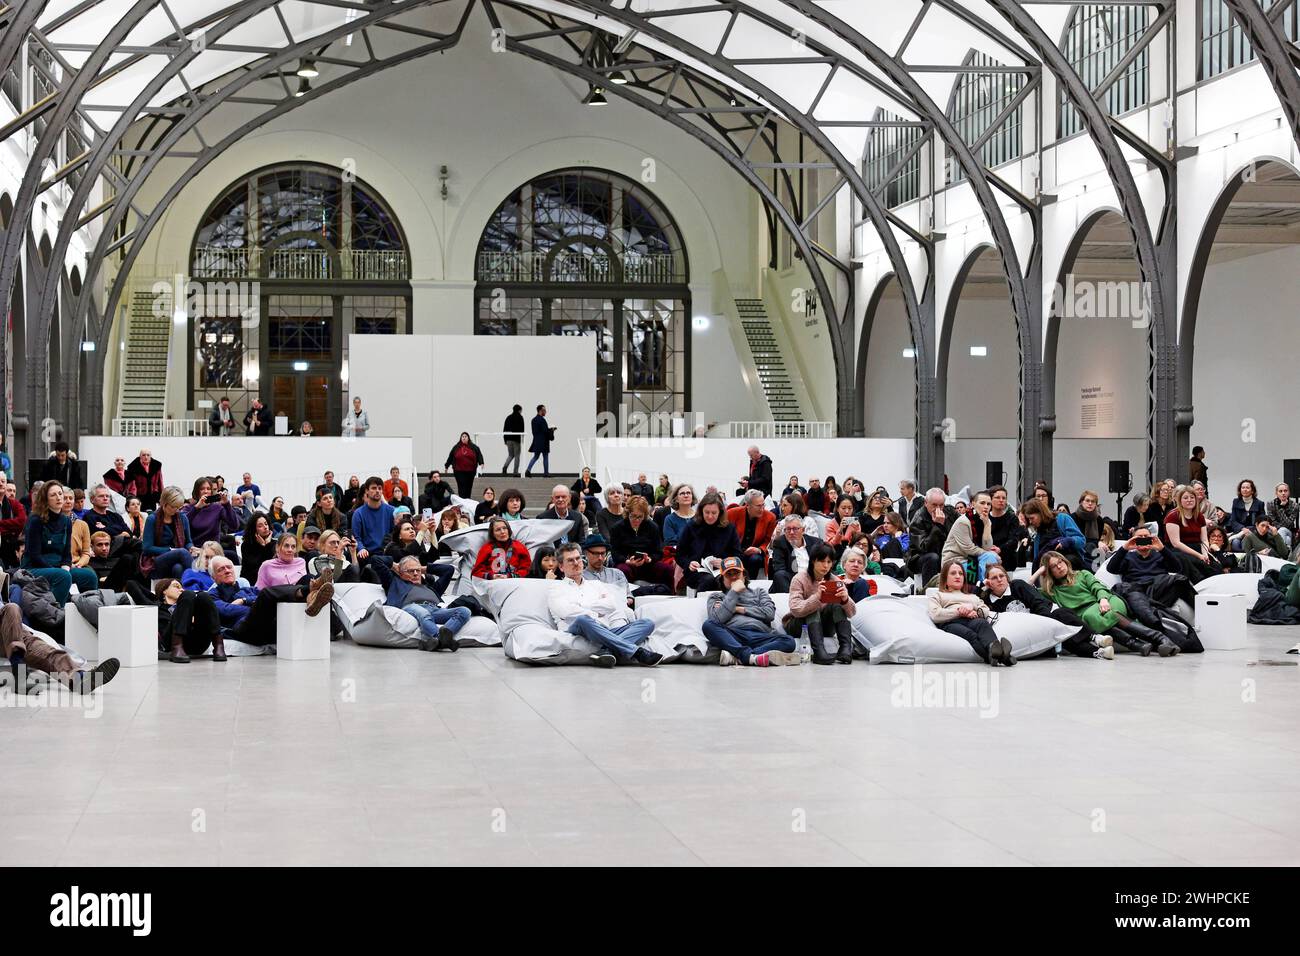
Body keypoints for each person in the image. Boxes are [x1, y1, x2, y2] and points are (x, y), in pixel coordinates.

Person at [1038, 549, 1177, 656]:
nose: (1060, 567)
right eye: (1054, 566)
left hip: (1105, 600)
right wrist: (1040, 572)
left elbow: (1098, 587)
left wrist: (1103, 599)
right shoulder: (1051, 592)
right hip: (1088, 614)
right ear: (1049, 572)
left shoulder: (1082, 574)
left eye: (1060, 562)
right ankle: (1155, 640)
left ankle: (1143, 643)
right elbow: (1026, 588)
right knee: (1092, 617)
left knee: (1098, 616)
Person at [547, 542, 661, 667]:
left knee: (647, 623)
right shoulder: (556, 588)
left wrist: (580, 606)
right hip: (574, 628)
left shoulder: (595, 585)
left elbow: (611, 605)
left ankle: (606, 651)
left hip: (603, 629)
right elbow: (566, 612)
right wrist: (596, 612)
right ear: (561, 567)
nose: (576, 563)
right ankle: (638, 653)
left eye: (578, 558)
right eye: (570, 560)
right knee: (582, 619)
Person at [980, 563, 1111, 660]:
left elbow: (1038, 602)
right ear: (988, 582)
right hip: (1026, 634)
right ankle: (1099, 651)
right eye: (994, 578)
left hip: (1045, 618)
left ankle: (1095, 640)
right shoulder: (989, 601)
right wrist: (982, 586)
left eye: (1002, 575)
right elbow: (975, 598)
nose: (999, 579)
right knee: (1061, 640)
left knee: (1061, 618)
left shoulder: (1017, 586)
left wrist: (1045, 624)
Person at [2, 600, 120, 693]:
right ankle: (19, 674)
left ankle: (81, 679)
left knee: (50, 654)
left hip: (13, 632)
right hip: (10, 633)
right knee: (11, 607)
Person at [704, 556, 800, 667]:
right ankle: (750, 656)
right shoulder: (717, 597)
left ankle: (742, 656)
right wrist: (733, 592)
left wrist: (738, 609)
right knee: (708, 625)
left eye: (737, 573)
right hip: (734, 635)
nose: (734, 577)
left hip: (761, 635)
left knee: (789, 641)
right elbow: (717, 619)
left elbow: (769, 613)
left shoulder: (759, 592)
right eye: (729, 575)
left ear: (744, 575)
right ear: (722, 578)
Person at [20, 481, 98, 604]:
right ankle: (55, 612)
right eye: (53, 495)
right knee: (63, 576)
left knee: (89, 576)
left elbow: (67, 553)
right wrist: (59, 571)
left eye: (60, 493)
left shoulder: (66, 521)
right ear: (45, 499)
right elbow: (34, 555)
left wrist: (66, 567)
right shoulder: (35, 520)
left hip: (58, 568)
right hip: (34, 567)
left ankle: (86, 612)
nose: (58, 497)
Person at [927, 559, 1014, 666]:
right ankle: (1003, 657)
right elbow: (935, 614)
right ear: (945, 578)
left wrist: (973, 607)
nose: (958, 576)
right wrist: (959, 612)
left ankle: (994, 648)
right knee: (971, 635)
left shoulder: (972, 597)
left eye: (961, 573)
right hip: (952, 622)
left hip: (972, 619)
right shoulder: (938, 595)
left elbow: (986, 611)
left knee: (982, 623)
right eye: (953, 573)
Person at [785, 542, 856, 665]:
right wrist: (817, 597)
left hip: (823, 626)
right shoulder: (799, 578)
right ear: (813, 561)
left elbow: (851, 613)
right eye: (822, 561)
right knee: (813, 609)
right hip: (798, 625)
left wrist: (845, 599)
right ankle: (819, 653)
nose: (826, 565)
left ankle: (845, 649)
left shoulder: (834, 580)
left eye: (829, 562)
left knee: (837, 604)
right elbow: (795, 609)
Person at [1106, 529, 1197, 622]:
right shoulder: (1127, 556)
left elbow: (1177, 568)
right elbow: (1111, 569)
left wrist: (1162, 549)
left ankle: (1201, 609)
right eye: (1139, 538)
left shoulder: (1160, 555)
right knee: (1127, 588)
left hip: (1159, 588)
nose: (1143, 539)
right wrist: (1124, 548)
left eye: (1146, 537)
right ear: (1133, 539)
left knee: (1181, 580)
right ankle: (1154, 611)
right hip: (1137, 591)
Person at [385, 556, 466, 652]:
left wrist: (423, 568)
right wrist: (395, 565)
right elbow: (376, 560)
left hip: (435, 609)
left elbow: (449, 570)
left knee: (464, 611)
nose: (415, 574)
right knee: (424, 613)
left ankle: (436, 641)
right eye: (411, 571)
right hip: (411, 606)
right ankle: (439, 637)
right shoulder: (396, 583)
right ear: (401, 573)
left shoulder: (431, 587)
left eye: (417, 571)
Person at [145, 578, 227, 663]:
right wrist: (183, 617)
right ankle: (177, 647)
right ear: (164, 590)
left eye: (181, 587)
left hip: (197, 644)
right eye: (176, 586)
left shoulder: (189, 606)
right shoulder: (156, 608)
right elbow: (132, 585)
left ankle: (218, 646)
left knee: (204, 596)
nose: (181, 589)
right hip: (170, 643)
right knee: (188, 594)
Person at [675, 492, 741, 593]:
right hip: (697, 571)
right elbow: (680, 554)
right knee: (708, 580)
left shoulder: (729, 528)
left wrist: (725, 563)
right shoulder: (692, 526)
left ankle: (730, 606)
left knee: (727, 580)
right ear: (701, 511)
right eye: (707, 512)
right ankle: (701, 606)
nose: (710, 516)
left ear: (720, 512)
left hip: (723, 570)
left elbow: (738, 554)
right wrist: (689, 563)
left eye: (714, 513)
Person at [610, 495, 672, 588]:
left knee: (667, 569)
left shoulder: (652, 527)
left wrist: (649, 559)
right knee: (622, 571)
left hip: (648, 565)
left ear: (645, 515)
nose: (637, 520)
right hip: (627, 564)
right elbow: (615, 553)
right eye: (633, 516)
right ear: (628, 513)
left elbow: (658, 552)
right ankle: (626, 597)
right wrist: (627, 561)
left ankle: (666, 594)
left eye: (640, 517)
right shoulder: (617, 528)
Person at [941, 489, 1001, 583]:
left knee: (989, 558)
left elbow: (987, 547)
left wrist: (987, 525)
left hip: (973, 558)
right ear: (973, 504)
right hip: (956, 560)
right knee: (989, 557)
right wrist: (991, 553)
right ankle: (983, 588)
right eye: (982, 503)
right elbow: (969, 549)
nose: (986, 507)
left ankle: (986, 587)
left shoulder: (986, 521)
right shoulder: (963, 521)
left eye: (988, 504)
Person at [141, 487, 196, 582]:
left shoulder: (182, 518)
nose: (176, 510)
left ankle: (184, 593)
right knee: (181, 552)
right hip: (156, 560)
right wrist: (170, 550)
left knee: (177, 568)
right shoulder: (152, 519)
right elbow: (147, 548)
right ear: (164, 503)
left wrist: (191, 548)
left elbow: (188, 542)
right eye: (173, 506)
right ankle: (200, 580)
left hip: (178, 558)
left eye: (178, 507)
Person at [1163, 484, 1215, 583]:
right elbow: (1176, 543)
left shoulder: (1199, 516)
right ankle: (1201, 585)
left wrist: (1205, 554)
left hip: (1198, 548)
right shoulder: (1172, 516)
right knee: (1198, 564)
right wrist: (1199, 556)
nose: (1189, 500)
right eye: (1185, 498)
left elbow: (1204, 539)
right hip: (1178, 551)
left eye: (1192, 497)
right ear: (1180, 500)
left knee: (1214, 565)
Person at [907, 487, 956, 585]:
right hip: (920, 557)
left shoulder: (950, 512)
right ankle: (929, 591)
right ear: (926, 503)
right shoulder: (918, 518)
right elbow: (923, 548)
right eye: (934, 505)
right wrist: (937, 526)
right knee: (933, 558)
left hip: (946, 553)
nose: (938, 509)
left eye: (941, 505)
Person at [1020, 497, 1086, 569]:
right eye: (1028, 519)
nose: (1030, 522)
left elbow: (1081, 540)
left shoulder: (1062, 518)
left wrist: (1068, 541)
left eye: (1032, 518)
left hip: (1070, 568)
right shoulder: (1037, 534)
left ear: (1041, 513)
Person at [351, 477, 396, 578]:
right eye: (374, 488)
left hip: (387, 551)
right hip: (368, 553)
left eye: (380, 488)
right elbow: (357, 538)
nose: (377, 491)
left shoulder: (391, 511)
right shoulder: (358, 513)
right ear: (367, 490)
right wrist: (361, 548)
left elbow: (395, 534)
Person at [726, 489, 777, 580]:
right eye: (758, 506)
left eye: (763, 505)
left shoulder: (770, 517)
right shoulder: (732, 514)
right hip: (734, 552)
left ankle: (748, 583)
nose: (762, 509)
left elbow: (768, 540)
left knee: (755, 559)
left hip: (754, 553)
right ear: (747, 505)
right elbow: (725, 537)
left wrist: (759, 549)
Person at [181, 477, 239, 552]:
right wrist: (197, 508)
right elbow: (181, 526)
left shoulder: (217, 507)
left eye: (208, 489)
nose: (206, 491)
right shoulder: (189, 508)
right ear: (196, 491)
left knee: (232, 557)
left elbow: (234, 526)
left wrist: (227, 504)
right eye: (202, 489)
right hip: (195, 549)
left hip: (213, 550)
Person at [769, 515, 823, 594]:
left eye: (795, 529)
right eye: (788, 529)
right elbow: (779, 567)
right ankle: (791, 602)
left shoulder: (815, 543)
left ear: (803, 530)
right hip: (791, 582)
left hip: (813, 580)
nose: (791, 532)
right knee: (779, 575)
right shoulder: (780, 542)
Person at [1226, 479, 1265, 550]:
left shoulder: (1259, 503)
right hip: (1239, 532)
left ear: (1252, 491)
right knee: (1235, 543)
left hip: (1254, 532)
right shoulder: (1236, 502)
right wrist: (1243, 529)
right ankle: (1240, 560)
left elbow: (1262, 522)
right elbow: (1233, 520)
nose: (1245, 489)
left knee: (1246, 543)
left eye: (1247, 487)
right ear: (1240, 490)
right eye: (1243, 487)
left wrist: (1249, 530)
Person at [445, 432, 485, 499]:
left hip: (470, 471)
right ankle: (462, 500)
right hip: (458, 471)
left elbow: (479, 455)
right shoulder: (456, 447)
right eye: (462, 436)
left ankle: (467, 500)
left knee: (468, 487)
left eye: (465, 436)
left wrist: (481, 463)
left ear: (468, 438)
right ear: (460, 438)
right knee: (461, 487)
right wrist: (446, 466)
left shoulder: (474, 447)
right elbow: (450, 457)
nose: (464, 437)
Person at [1265, 483, 1298, 553]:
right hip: (1274, 530)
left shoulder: (1294, 505)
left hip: (1289, 531)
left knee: (1283, 530)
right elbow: (1272, 521)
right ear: (1276, 493)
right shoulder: (1270, 504)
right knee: (1287, 540)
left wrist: (1281, 508)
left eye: (1285, 491)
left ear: (1288, 493)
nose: (1283, 493)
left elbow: (1288, 524)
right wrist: (1279, 528)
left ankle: (1277, 554)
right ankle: (1285, 555)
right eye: (1280, 491)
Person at [525, 404, 552, 477]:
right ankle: (546, 473)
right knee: (545, 456)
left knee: (536, 456)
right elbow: (545, 431)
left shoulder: (533, 420)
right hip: (544, 441)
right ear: (541, 411)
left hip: (536, 440)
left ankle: (528, 470)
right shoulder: (542, 420)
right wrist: (551, 430)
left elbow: (534, 431)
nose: (545, 412)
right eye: (544, 410)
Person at [502, 404, 525, 476]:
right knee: (517, 455)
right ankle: (515, 472)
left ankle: (505, 467)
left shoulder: (508, 417)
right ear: (519, 410)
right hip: (516, 439)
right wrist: (522, 439)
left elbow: (504, 429)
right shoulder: (520, 417)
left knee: (510, 455)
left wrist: (505, 439)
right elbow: (522, 429)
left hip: (508, 439)